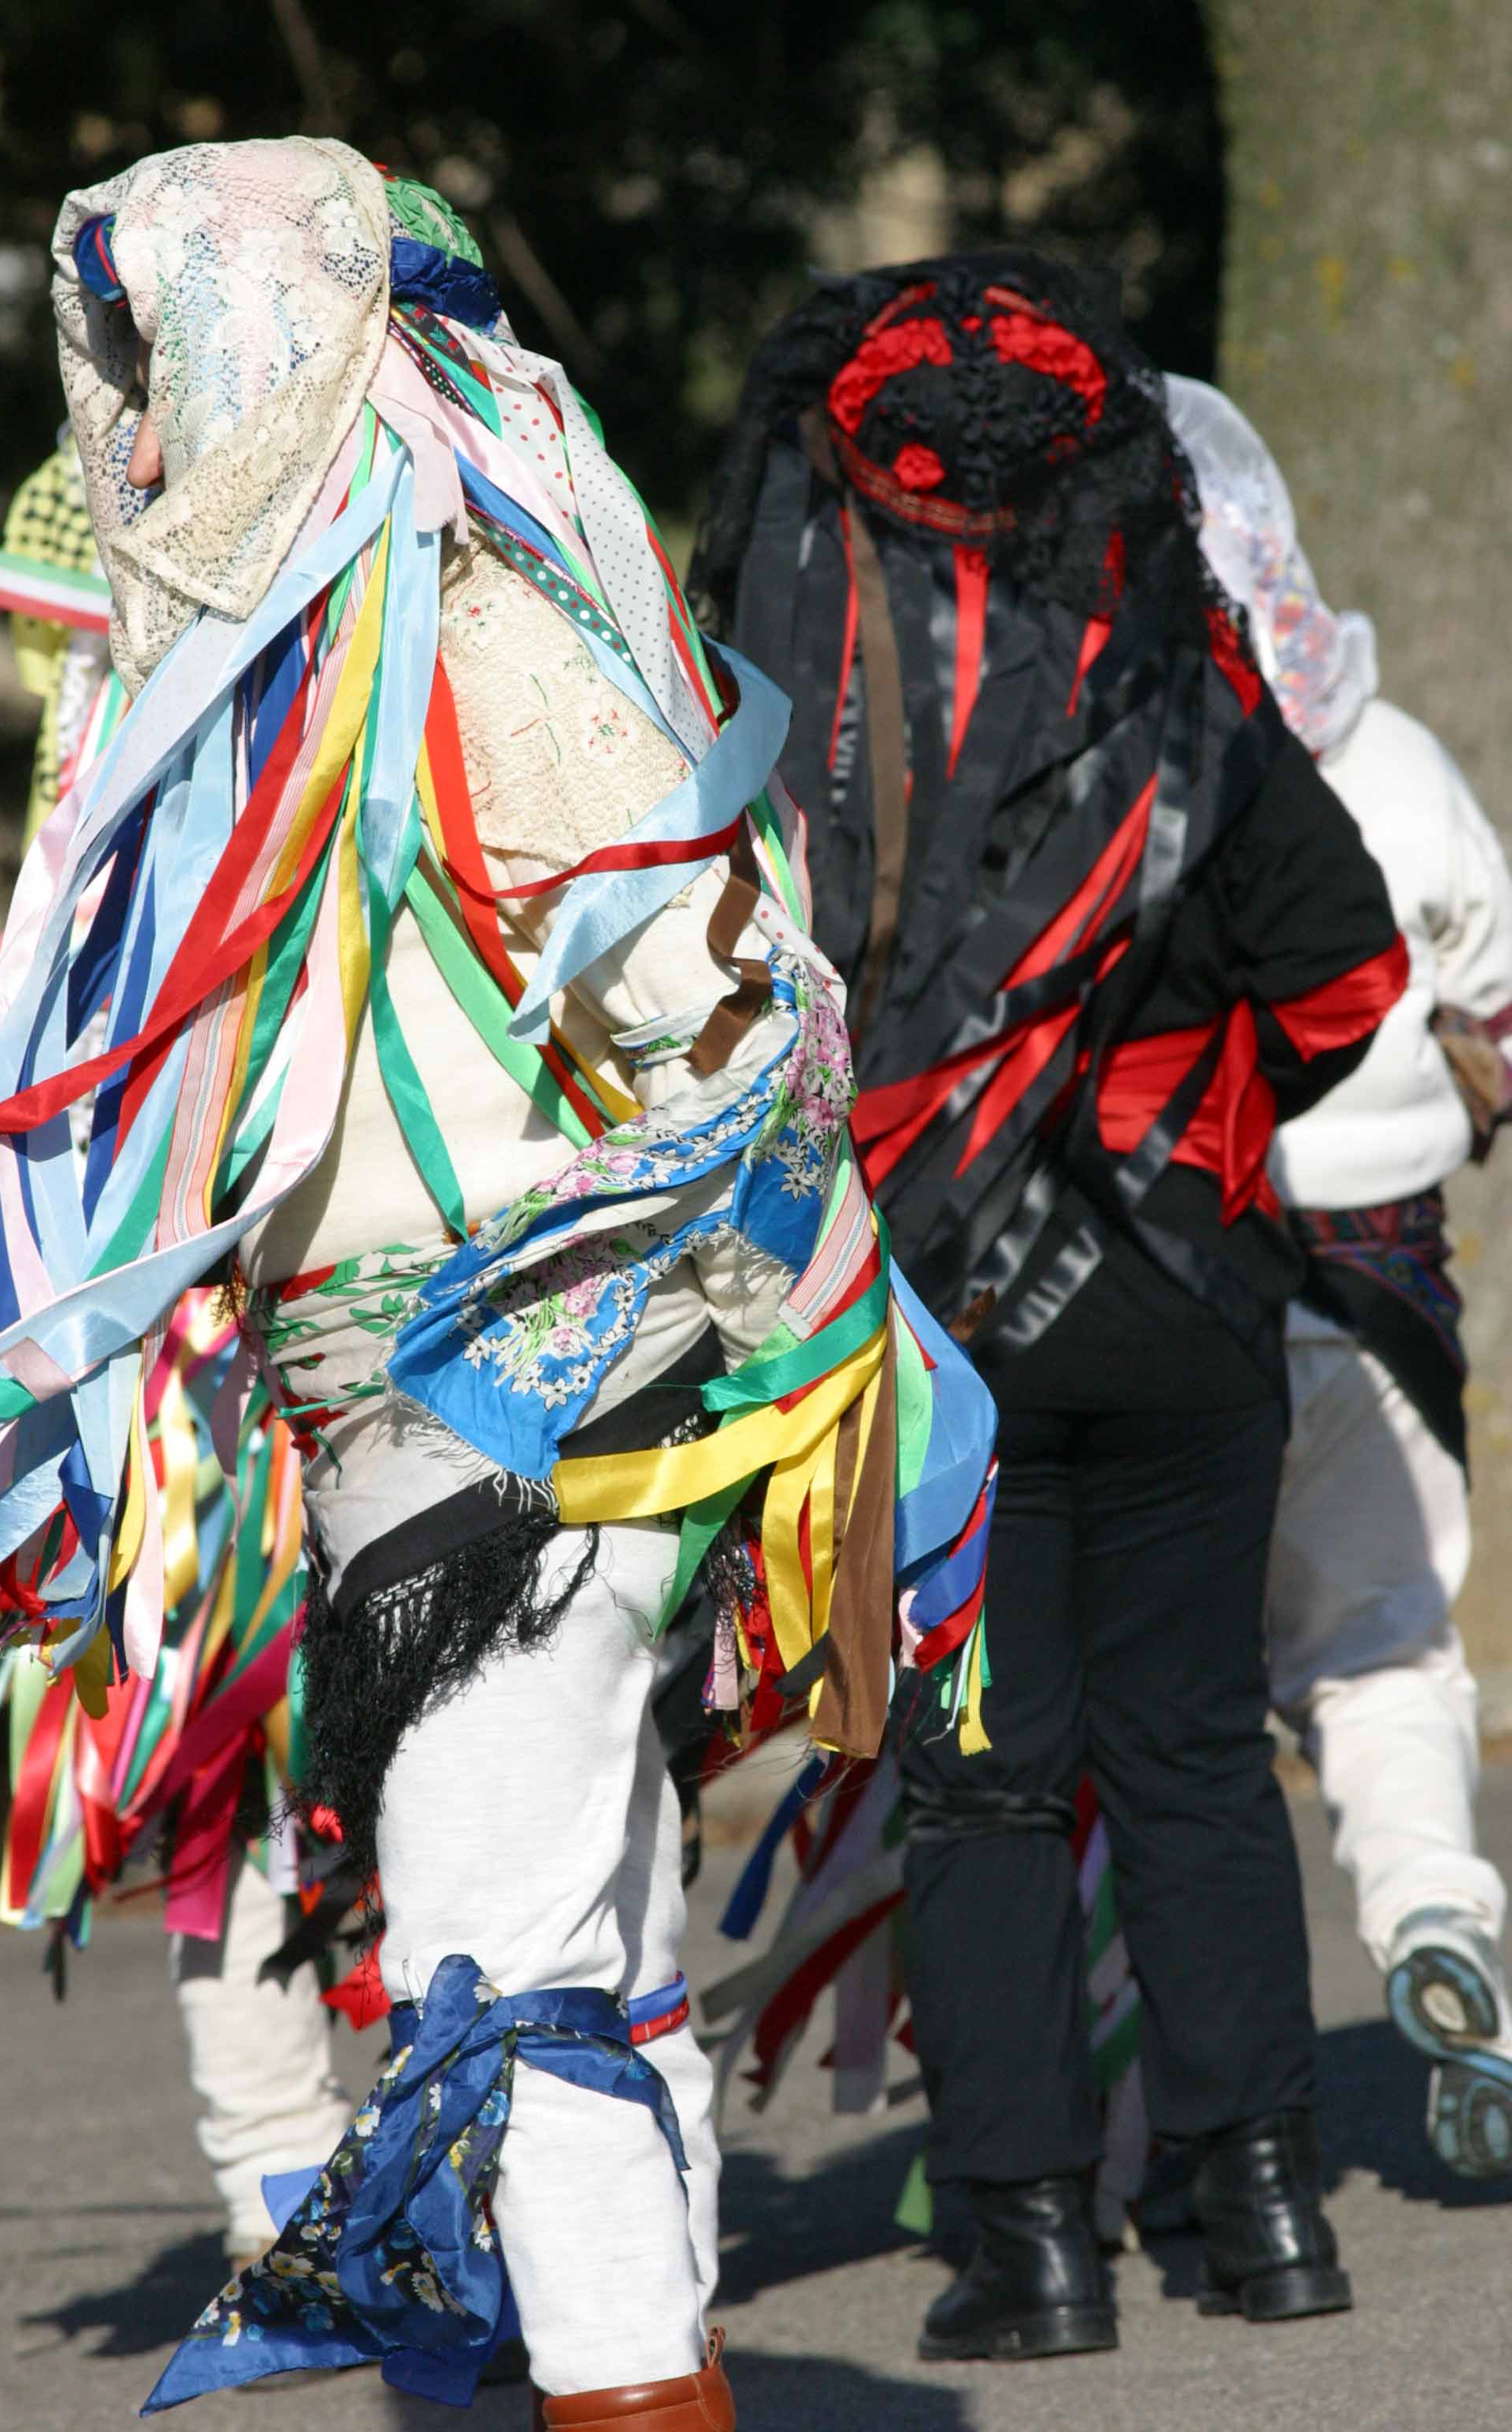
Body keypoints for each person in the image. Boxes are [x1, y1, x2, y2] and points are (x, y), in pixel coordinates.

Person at [0, 142, 996, 2426]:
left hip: (542, 1413)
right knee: (592, 1944)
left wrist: (731, 1274)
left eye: (158, 348)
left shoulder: (471, 623)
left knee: (500, 1979)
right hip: (401, 1428)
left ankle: (627, 2386)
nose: (138, 413)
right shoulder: (214, 695)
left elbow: (723, 1000)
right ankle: (645, 2353)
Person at [690, 250, 1406, 2361]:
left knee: (986, 1783)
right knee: (1194, 1756)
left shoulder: (776, 729)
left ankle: (1030, 2253)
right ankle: (1267, 2216)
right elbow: (1350, 987)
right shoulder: (1197, 693)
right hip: (1189, 1294)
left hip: (931, 1329)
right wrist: (1181, 1120)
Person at [1168, 374, 1512, 2181]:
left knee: (1151, 1698)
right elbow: (1494, 1014)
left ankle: (1101, 2080)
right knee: (1382, 1648)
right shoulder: (1392, 756)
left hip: (1168, 1275)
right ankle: (1441, 1927)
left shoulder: (1110, 768)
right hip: (1383, 1288)